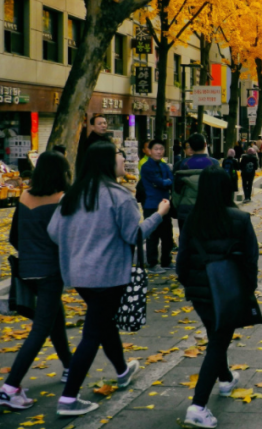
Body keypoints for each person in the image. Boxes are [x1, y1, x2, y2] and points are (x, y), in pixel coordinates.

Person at [47, 142, 170, 417]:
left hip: (78, 274)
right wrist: (159, 216)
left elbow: (54, 231)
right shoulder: (119, 196)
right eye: (119, 156)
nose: (123, 160)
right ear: (106, 162)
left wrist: (80, 241)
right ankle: (68, 398)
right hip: (108, 275)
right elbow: (134, 235)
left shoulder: (73, 194)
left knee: (103, 323)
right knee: (93, 333)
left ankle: (123, 371)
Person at [176, 167, 260, 429]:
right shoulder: (240, 219)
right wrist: (247, 290)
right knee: (218, 342)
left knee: (216, 336)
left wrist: (190, 285)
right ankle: (198, 406)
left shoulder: (192, 219)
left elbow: (182, 260)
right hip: (228, 292)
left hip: (199, 293)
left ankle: (225, 379)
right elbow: (251, 260)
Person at [0, 152, 73, 411]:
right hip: (51, 271)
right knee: (40, 329)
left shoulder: (24, 197)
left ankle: (69, 366)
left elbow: (13, 237)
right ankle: (9, 388)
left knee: (55, 316)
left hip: (27, 269)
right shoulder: (62, 199)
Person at [140, 140, 175, 272]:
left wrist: (165, 182)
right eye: (156, 149)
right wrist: (165, 182)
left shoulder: (164, 165)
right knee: (152, 236)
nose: (159, 152)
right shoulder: (146, 167)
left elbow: (171, 181)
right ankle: (152, 263)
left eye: (161, 149)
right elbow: (160, 182)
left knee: (167, 235)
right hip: (151, 204)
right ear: (149, 151)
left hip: (165, 203)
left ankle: (166, 261)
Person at [173, 134, 218, 232]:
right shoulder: (214, 163)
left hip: (186, 209)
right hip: (209, 208)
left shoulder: (181, 165)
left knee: (186, 238)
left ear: (191, 147)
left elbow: (176, 190)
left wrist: (176, 207)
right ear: (205, 145)